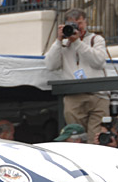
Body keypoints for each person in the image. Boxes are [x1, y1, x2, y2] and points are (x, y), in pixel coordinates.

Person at [44, 9, 109, 141]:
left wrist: (77, 42)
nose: (76, 27)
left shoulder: (96, 39)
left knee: (96, 139)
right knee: (76, 137)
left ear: (85, 22)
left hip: (98, 95)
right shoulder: (62, 43)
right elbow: (51, 65)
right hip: (74, 96)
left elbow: (99, 61)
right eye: (72, 24)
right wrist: (58, 41)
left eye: (79, 23)